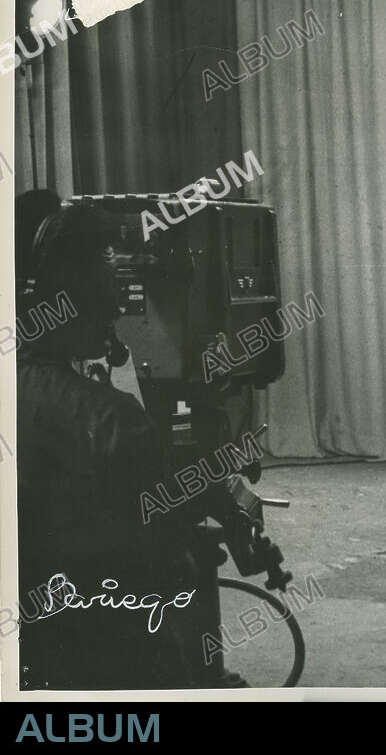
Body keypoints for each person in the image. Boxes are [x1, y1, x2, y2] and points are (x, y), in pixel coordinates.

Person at [14, 201, 220, 689]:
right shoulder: (111, 417)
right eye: (103, 289)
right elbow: (169, 566)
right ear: (69, 301)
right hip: (106, 648)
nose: (114, 306)